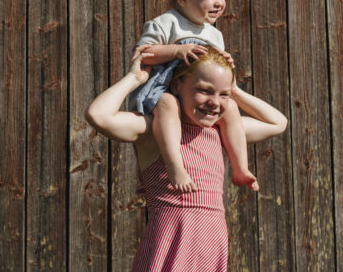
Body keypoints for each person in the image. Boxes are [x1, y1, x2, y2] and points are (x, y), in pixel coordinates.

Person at [86, 47, 287, 271]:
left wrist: (235, 92)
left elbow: (278, 122)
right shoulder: (154, 130)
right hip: (171, 243)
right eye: (204, 90)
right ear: (176, 86)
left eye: (223, 94)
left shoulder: (220, 132)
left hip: (211, 244)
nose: (214, 102)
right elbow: (98, 115)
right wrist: (134, 78)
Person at [130, 0, 258, 192]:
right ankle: (174, 165)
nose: (220, 2)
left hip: (195, 99)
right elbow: (143, 55)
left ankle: (240, 166)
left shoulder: (214, 34)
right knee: (168, 103)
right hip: (162, 93)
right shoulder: (166, 23)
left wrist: (225, 64)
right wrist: (176, 50)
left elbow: (212, 68)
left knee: (230, 108)